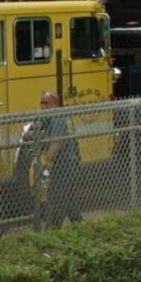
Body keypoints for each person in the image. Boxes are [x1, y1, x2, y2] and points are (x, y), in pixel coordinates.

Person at [38, 91, 83, 227]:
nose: (43, 106)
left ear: (54, 104)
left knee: (58, 196)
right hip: (65, 162)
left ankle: (53, 228)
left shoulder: (57, 117)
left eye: (46, 103)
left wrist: (46, 162)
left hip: (66, 163)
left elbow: (57, 142)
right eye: (42, 103)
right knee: (63, 195)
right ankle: (79, 224)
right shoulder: (54, 117)